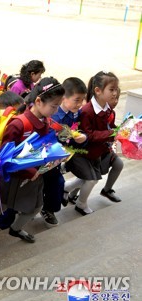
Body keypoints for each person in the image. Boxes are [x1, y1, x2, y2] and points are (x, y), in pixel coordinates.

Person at [0, 77, 65, 246]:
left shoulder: (46, 121)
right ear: (38, 101)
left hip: (34, 176)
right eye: (54, 106)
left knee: (36, 206)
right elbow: (5, 157)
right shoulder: (19, 124)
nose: (56, 110)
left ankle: (16, 228)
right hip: (14, 177)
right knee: (0, 205)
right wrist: (29, 171)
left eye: (57, 106)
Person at [63, 71, 122, 215]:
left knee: (91, 178)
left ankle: (69, 192)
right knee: (90, 179)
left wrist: (121, 131)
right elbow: (88, 135)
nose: (115, 94)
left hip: (98, 151)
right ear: (98, 91)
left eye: (116, 89)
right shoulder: (87, 111)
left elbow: (110, 127)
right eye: (111, 89)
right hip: (84, 153)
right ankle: (80, 203)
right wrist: (111, 134)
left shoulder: (109, 110)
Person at [41, 77, 88, 227]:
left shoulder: (75, 113)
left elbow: (76, 131)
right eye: (76, 100)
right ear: (64, 98)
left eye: (82, 100)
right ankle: (46, 208)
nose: (80, 104)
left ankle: (49, 207)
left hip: (62, 155)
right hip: (46, 155)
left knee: (56, 182)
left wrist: (81, 137)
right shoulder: (53, 115)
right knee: (54, 182)